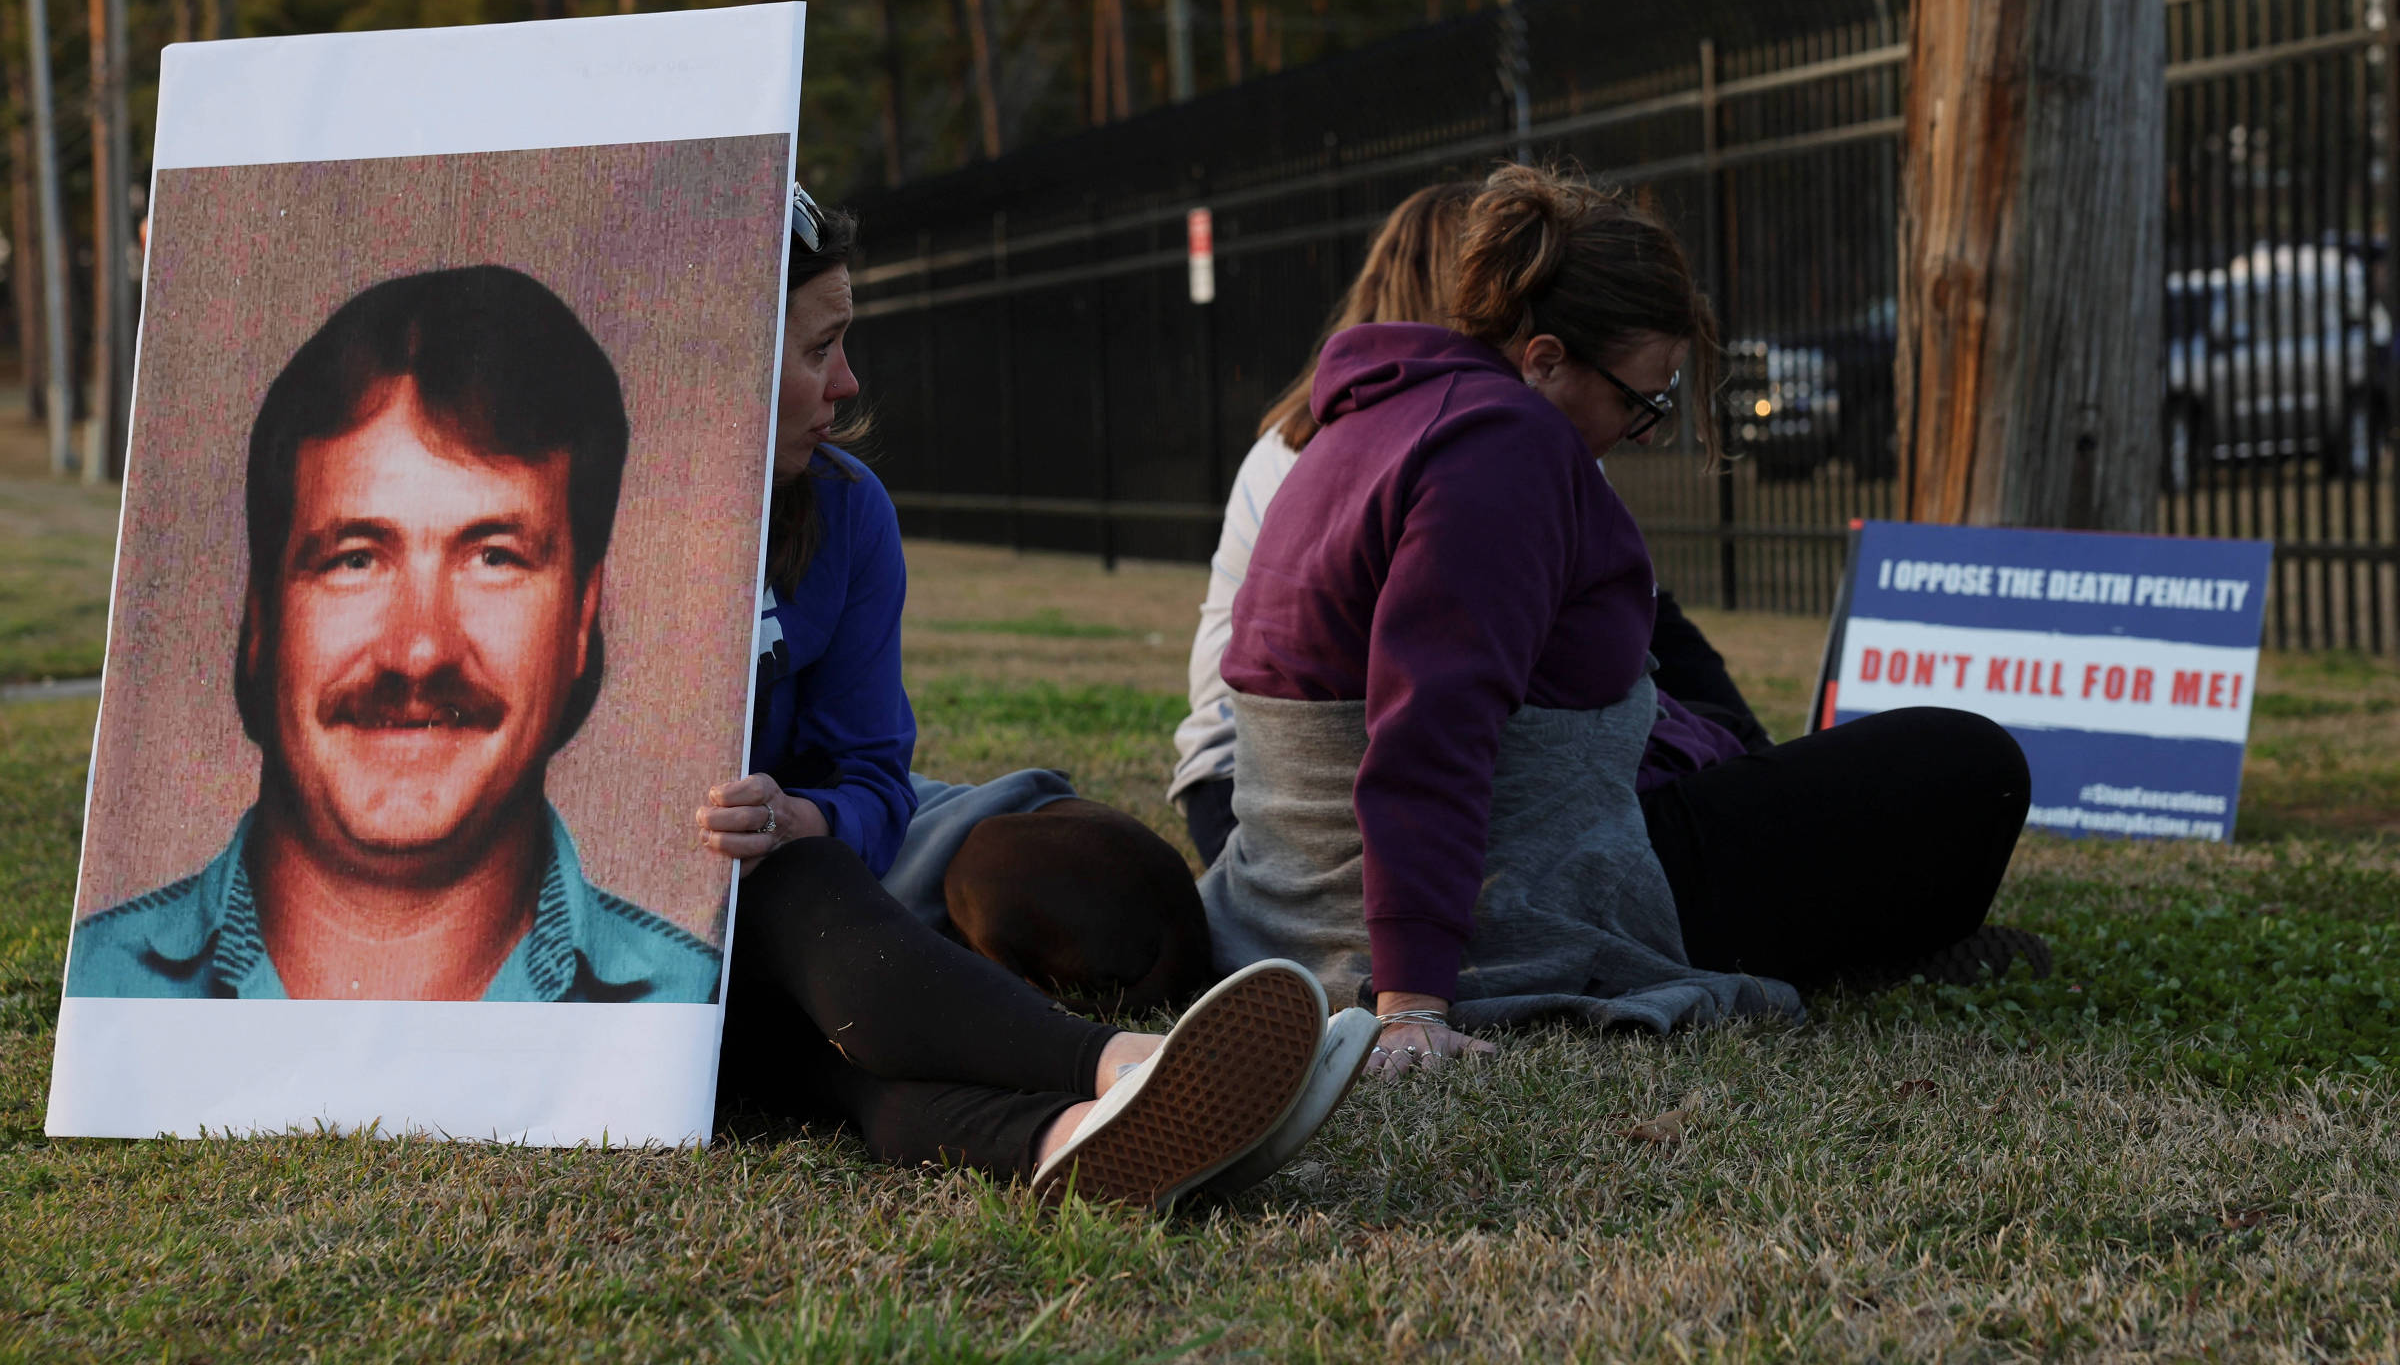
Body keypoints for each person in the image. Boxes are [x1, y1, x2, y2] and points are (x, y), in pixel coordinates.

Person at [1201, 164, 2033, 1079]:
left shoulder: (1381, 414)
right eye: (1644, 400)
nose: (1644, 433)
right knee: (1971, 767)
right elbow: (1430, 724)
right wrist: (1411, 1003)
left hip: (1303, 890)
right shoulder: (1501, 450)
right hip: (1537, 887)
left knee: (1836, 786)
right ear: (1546, 358)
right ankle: (1869, 949)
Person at [699, 188, 1373, 1207]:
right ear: (724, 361)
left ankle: (1078, 1131)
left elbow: (875, 778)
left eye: (846, 341)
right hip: (629, 974)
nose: (847, 382)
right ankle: (1128, 1063)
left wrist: (803, 812)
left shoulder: (844, 513)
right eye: (816, 350)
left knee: (822, 983)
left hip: (790, 964)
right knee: (794, 908)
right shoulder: (555, 517)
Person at [65, 267, 719, 1004]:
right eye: (355, 559)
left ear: (580, 618)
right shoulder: (103, 992)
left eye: (494, 556)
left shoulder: (688, 1014)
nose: (419, 649)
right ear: (261, 614)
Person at [1170, 183, 1772, 867]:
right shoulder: (1474, 454)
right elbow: (1434, 715)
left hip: (1272, 797)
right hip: (1300, 803)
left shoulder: (1351, 433)